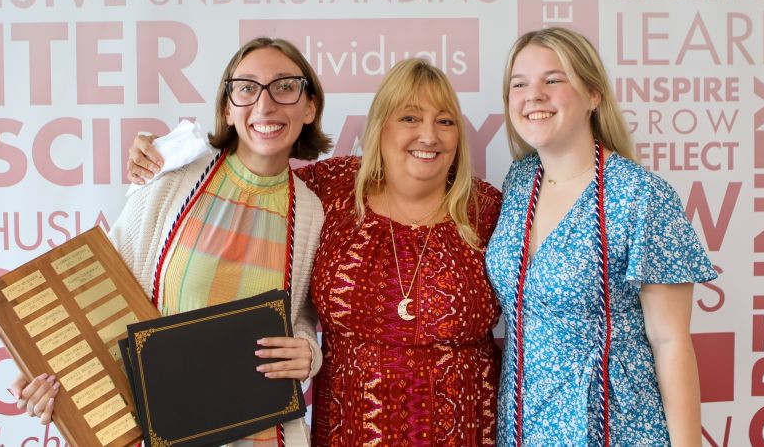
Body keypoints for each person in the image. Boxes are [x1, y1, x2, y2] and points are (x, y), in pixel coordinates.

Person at [129, 58, 502, 446]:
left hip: (465, 430)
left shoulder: (488, 210)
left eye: (445, 121)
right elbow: (245, 180)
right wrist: (165, 157)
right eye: (409, 118)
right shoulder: (330, 189)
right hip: (349, 430)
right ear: (380, 127)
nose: (429, 135)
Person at [10, 37, 332, 447]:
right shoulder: (172, 175)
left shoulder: (310, 212)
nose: (265, 106)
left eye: (285, 87)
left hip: (263, 435)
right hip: (169, 432)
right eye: (247, 88)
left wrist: (308, 352)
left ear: (310, 107)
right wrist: (43, 362)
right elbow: (102, 280)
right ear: (227, 108)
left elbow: (300, 315)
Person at [484, 27, 717, 447]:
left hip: (614, 426)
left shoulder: (640, 195)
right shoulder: (519, 183)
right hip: (523, 424)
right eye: (519, 84)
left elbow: (671, 341)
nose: (532, 95)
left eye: (553, 80)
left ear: (593, 94)